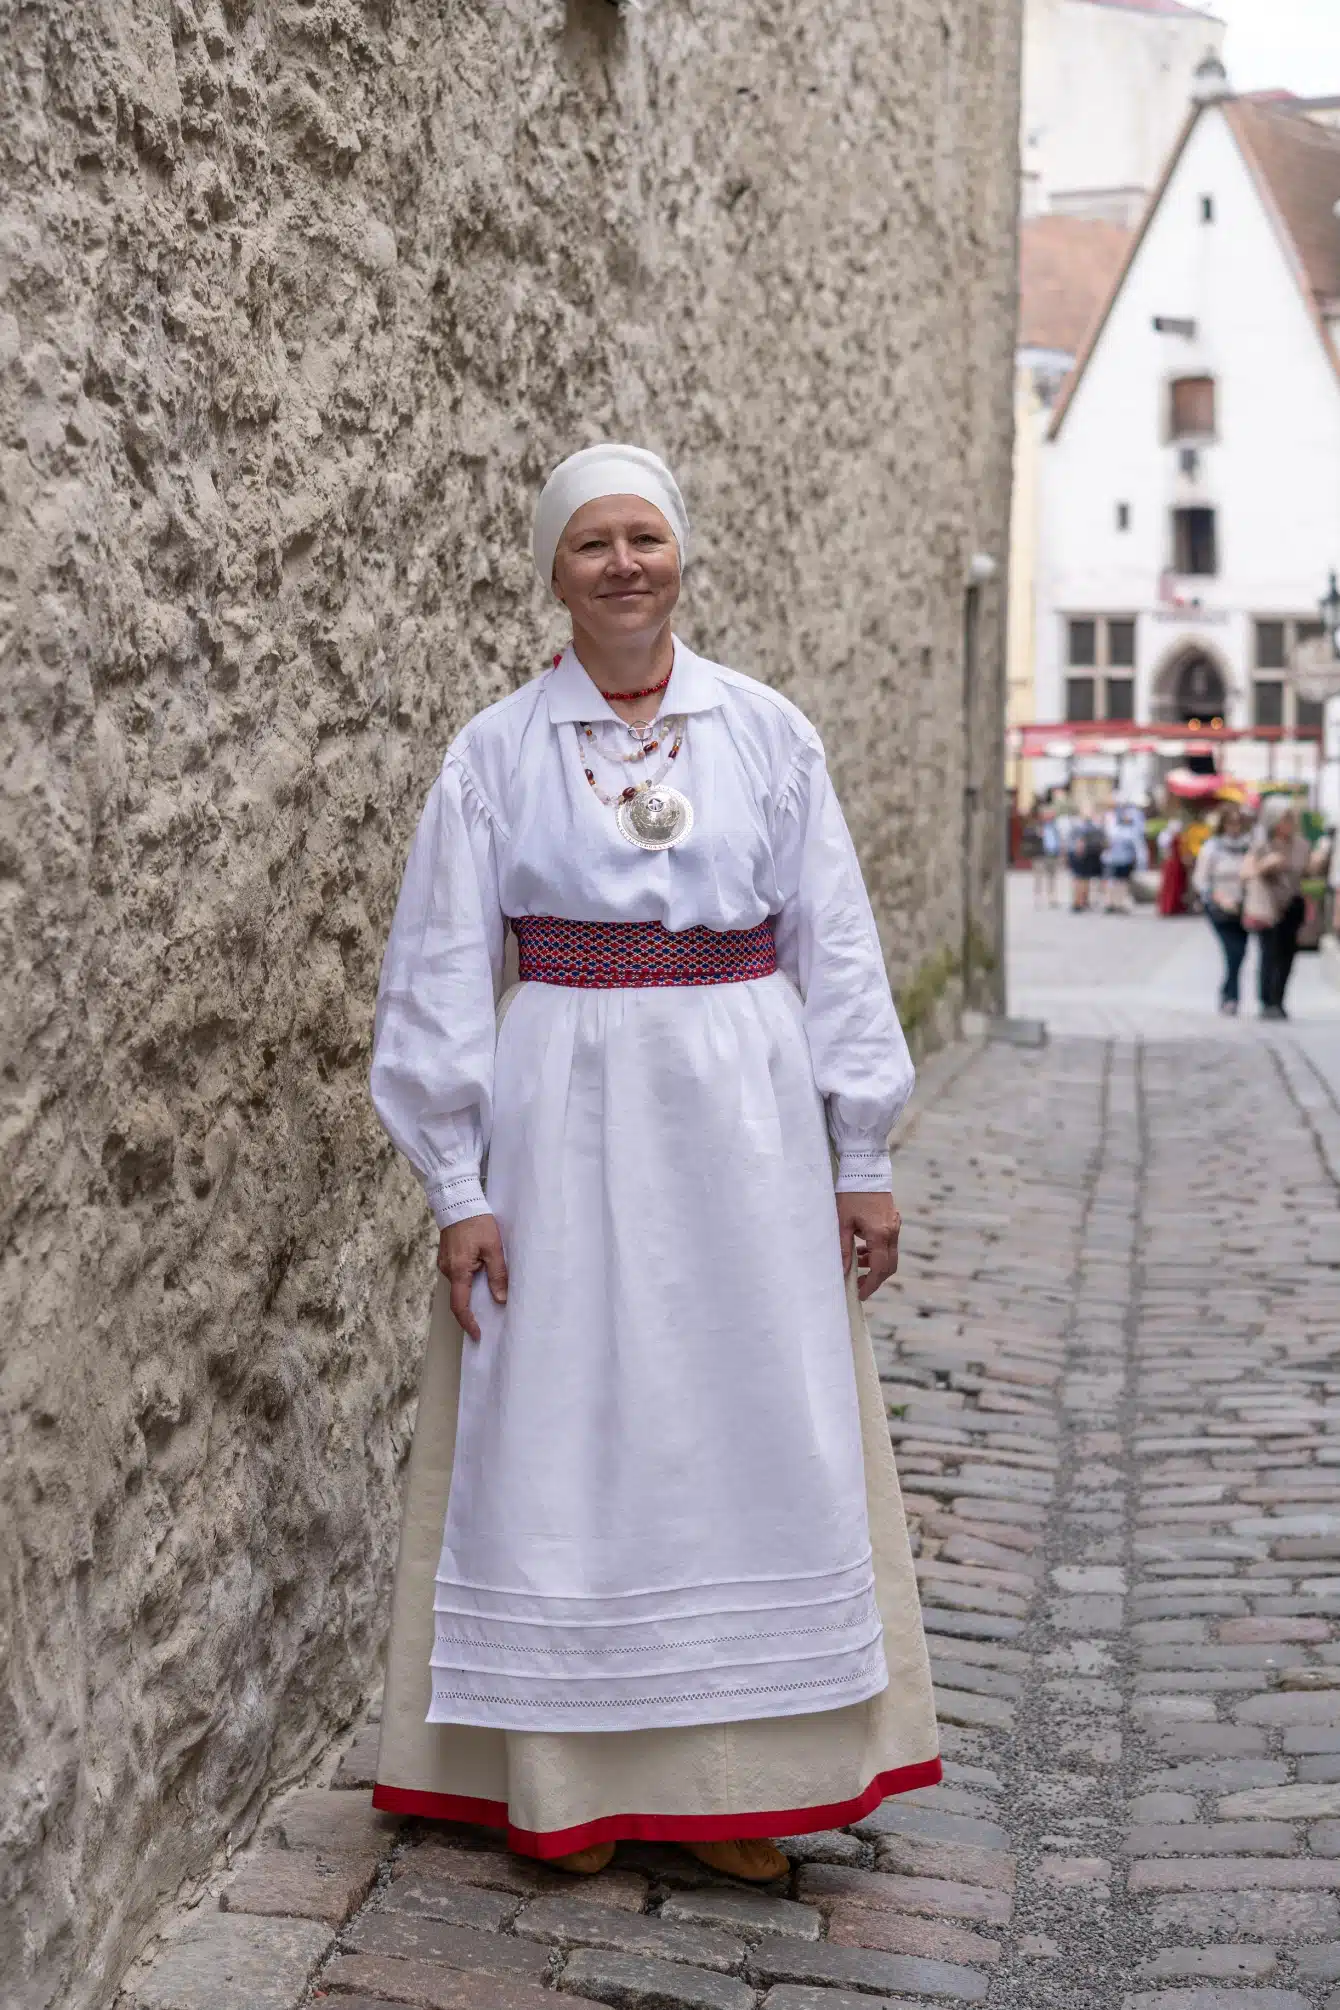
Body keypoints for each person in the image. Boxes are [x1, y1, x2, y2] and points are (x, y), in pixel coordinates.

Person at [368, 443, 939, 1879]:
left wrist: (857, 1148)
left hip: (743, 1120)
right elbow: (438, 968)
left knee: (743, 1423)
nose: (624, 564)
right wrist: (459, 1186)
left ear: (681, 554)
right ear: (553, 571)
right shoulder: (496, 749)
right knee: (569, 1421)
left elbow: (837, 942)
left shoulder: (764, 733)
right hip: (560, 1108)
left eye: (647, 538)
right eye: (591, 544)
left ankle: (737, 1782)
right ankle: (564, 1780)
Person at [1243, 796, 1322, 1020]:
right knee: (1269, 954)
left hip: (1292, 904)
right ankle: (1267, 1000)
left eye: (1291, 818)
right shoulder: (1260, 844)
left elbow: (1308, 873)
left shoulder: (1302, 845)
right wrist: (1266, 864)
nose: (1289, 823)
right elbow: (1246, 873)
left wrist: (1317, 863)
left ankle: (1279, 999)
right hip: (1268, 906)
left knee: (1287, 954)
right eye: (1285, 819)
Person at [1192, 803, 1252, 1014]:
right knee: (1232, 951)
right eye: (1231, 823)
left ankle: (1229, 992)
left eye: (1238, 823)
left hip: (1244, 906)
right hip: (1220, 908)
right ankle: (1231, 996)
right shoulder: (1212, 848)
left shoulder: (1249, 846)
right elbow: (1201, 881)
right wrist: (1219, 898)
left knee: (1241, 952)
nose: (1235, 827)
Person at [1101, 802, 1146, 915]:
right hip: (1113, 860)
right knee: (1112, 881)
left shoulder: (1131, 831)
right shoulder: (1114, 829)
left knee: (1122, 882)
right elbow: (1107, 844)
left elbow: (1137, 847)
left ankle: (1119, 903)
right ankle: (1110, 902)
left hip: (1125, 860)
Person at [1068, 808, 1106, 911]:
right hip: (1083, 855)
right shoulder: (1088, 827)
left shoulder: (1078, 825)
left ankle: (1080, 901)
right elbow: (1080, 842)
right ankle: (1080, 901)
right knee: (1082, 879)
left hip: (1083, 855)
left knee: (1081, 879)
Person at [1157, 814, 1187, 916]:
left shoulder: (1178, 836)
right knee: (1169, 886)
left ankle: (1174, 906)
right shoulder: (1166, 836)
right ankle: (1167, 907)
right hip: (1171, 863)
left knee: (1177, 886)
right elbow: (1164, 850)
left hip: (1177, 863)